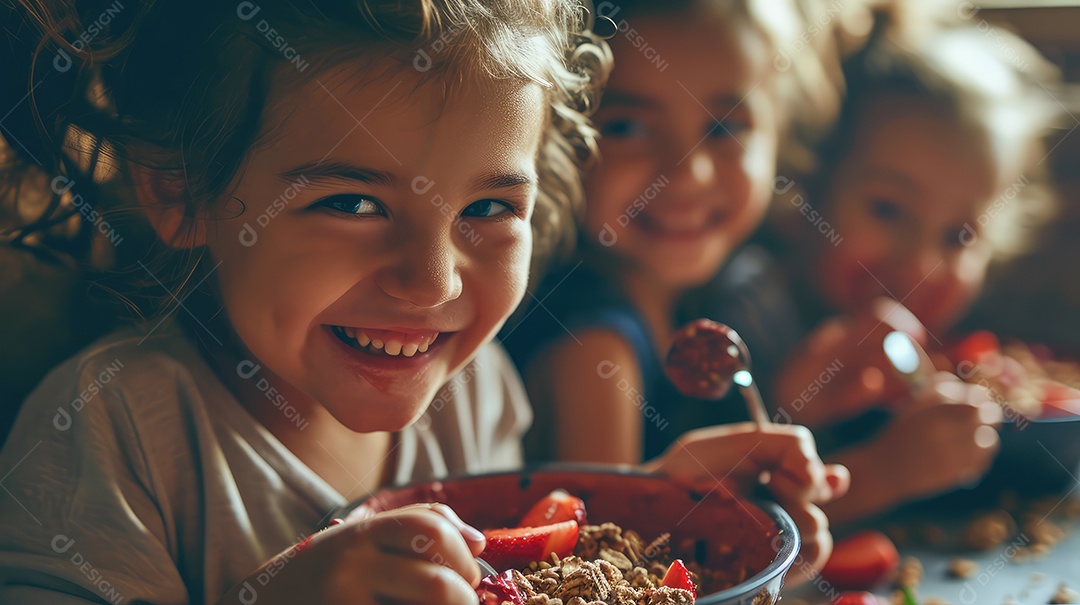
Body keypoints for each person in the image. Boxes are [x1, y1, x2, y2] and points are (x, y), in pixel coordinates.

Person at [0, 0, 845, 602]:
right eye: (353, 203)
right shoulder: (111, 435)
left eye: (487, 210)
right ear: (181, 190)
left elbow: (523, 577)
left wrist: (655, 516)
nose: (433, 282)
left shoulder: (474, 396)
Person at [505, 0, 846, 462]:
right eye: (627, 127)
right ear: (559, 139)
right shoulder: (593, 350)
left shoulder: (722, 298)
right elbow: (611, 531)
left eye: (725, 128)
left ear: (778, 136)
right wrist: (880, 476)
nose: (688, 174)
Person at [766, 12, 1061, 523]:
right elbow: (716, 533)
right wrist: (883, 472)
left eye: (960, 236)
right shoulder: (749, 314)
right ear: (806, 189)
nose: (923, 264)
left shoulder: (939, 357)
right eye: (887, 209)